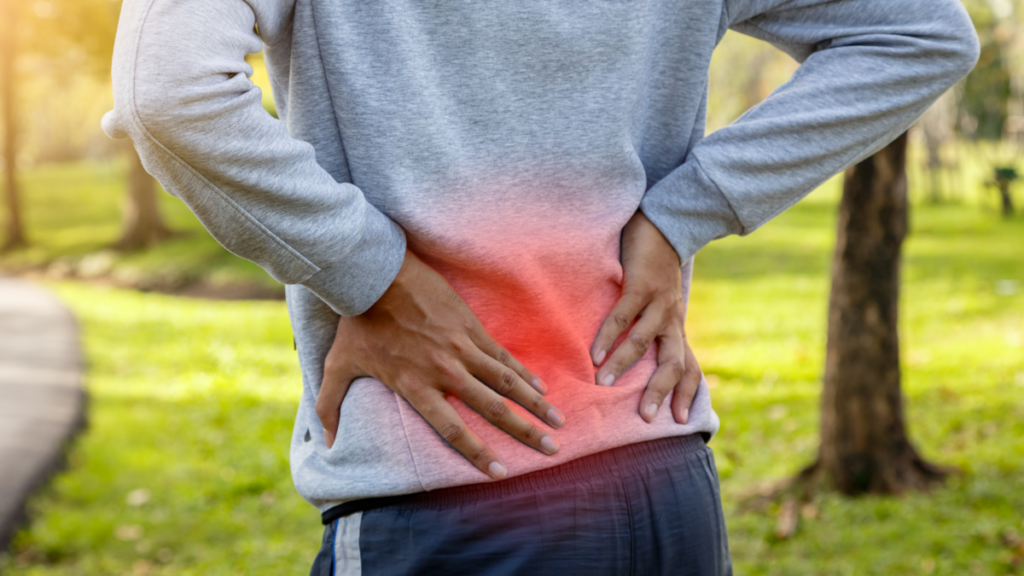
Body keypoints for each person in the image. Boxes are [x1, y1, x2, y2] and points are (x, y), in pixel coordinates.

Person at [103, 0, 978, 573]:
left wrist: (372, 276)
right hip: (665, 486)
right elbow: (921, 32)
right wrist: (685, 213)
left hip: (447, 486)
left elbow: (165, 94)